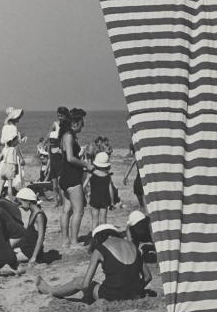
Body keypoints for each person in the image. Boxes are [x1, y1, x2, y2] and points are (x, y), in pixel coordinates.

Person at [36, 224, 151, 302]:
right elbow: (148, 277)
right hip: (135, 294)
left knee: (79, 280)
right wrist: (135, 289)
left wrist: (88, 294)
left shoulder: (100, 249)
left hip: (110, 296)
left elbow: (85, 284)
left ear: (98, 237)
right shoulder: (132, 246)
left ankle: (51, 290)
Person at [59, 108, 92, 248]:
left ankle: (65, 240)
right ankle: (73, 241)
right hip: (72, 177)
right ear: (75, 123)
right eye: (81, 123)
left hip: (65, 176)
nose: (83, 126)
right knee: (79, 210)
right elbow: (70, 158)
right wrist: (86, 164)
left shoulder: (64, 135)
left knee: (67, 209)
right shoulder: (69, 136)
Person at [16, 188, 47, 265]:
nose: (21, 206)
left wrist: (34, 257)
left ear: (27, 201)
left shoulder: (39, 215)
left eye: (21, 203)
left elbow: (41, 237)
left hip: (30, 252)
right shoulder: (33, 212)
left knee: (6, 258)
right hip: (26, 249)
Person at [85, 152, 114, 229]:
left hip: (94, 199)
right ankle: (103, 235)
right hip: (105, 199)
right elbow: (111, 190)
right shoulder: (108, 176)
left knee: (95, 221)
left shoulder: (91, 174)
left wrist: (83, 196)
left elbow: (84, 186)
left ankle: (94, 236)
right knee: (103, 220)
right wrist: (112, 202)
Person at [0, 125, 20, 200]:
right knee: (10, 187)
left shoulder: (4, 149)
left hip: (4, 167)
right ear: (13, 142)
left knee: (1, 186)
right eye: (16, 140)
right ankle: (10, 199)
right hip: (10, 167)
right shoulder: (13, 149)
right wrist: (16, 170)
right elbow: (15, 161)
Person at [123, 143, 145, 209]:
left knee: (141, 201)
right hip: (146, 178)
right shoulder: (144, 154)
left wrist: (125, 177)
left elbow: (130, 166)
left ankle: (142, 208)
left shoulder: (136, 155)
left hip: (139, 179)